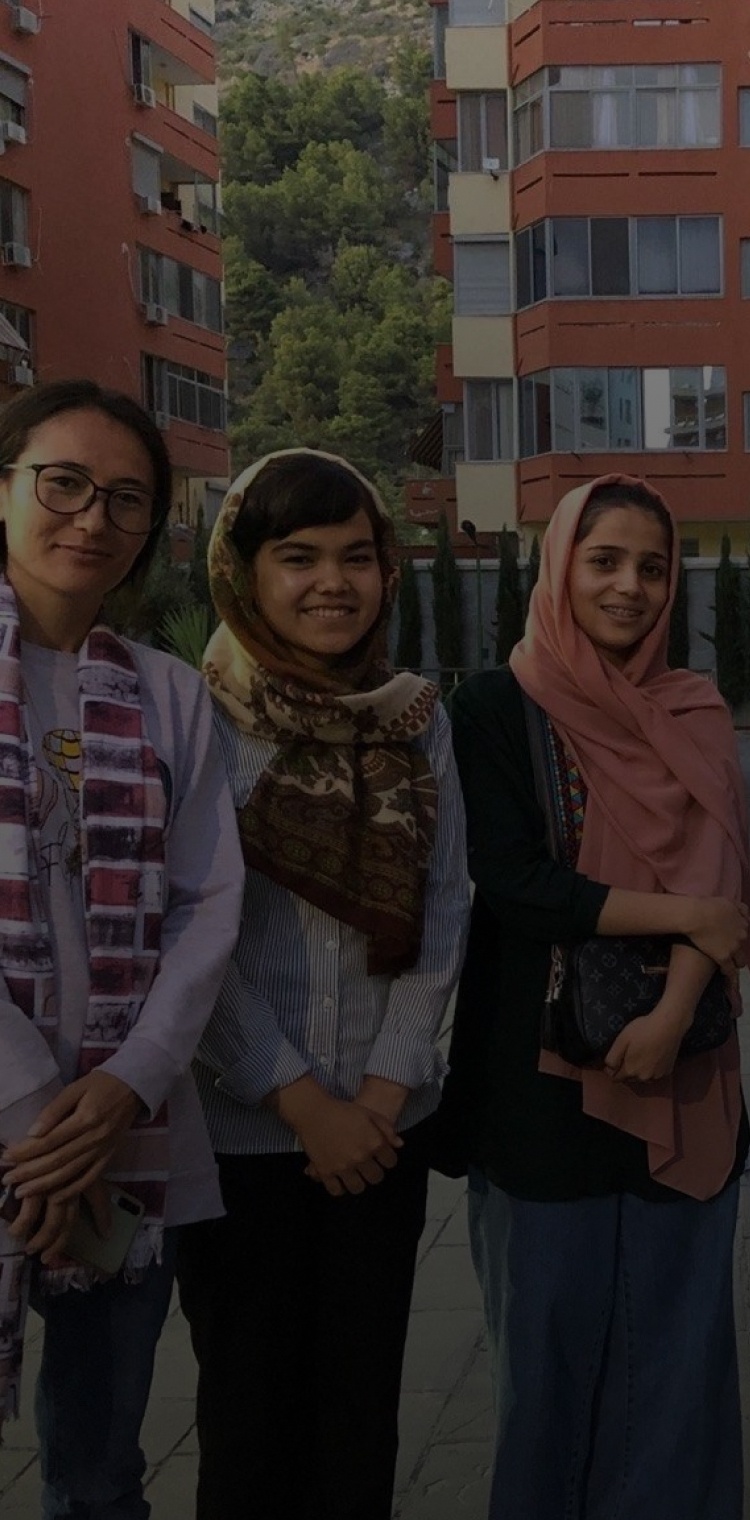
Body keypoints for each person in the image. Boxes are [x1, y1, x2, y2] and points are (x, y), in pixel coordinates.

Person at [432, 474, 750, 1520]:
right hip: (539, 1085)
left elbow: (724, 882)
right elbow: (520, 885)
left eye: (651, 566)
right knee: (548, 1356)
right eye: (603, 559)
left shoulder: (694, 709)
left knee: (678, 1358)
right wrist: (686, 920)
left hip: (687, 1065)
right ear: (560, 565)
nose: (629, 585)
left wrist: (670, 1008)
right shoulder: (491, 706)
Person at [176, 448, 470, 1520]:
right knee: (250, 1431)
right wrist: (303, 1102)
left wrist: (383, 1095)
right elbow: (188, 931)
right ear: (241, 570)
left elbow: (446, 909)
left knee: (358, 1430)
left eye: (357, 555)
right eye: (297, 556)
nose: (332, 581)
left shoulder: (414, 715)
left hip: (384, 1137)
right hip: (243, 1139)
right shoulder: (192, 714)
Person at [0, 379, 244, 1520]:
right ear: (6, 489)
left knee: (100, 1470)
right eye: (63, 482)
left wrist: (127, 1084)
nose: (91, 517)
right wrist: (40, 1111)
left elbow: (207, 900)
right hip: (38, 1123)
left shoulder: (171, 695)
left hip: (130, 1142)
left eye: (127, 498)